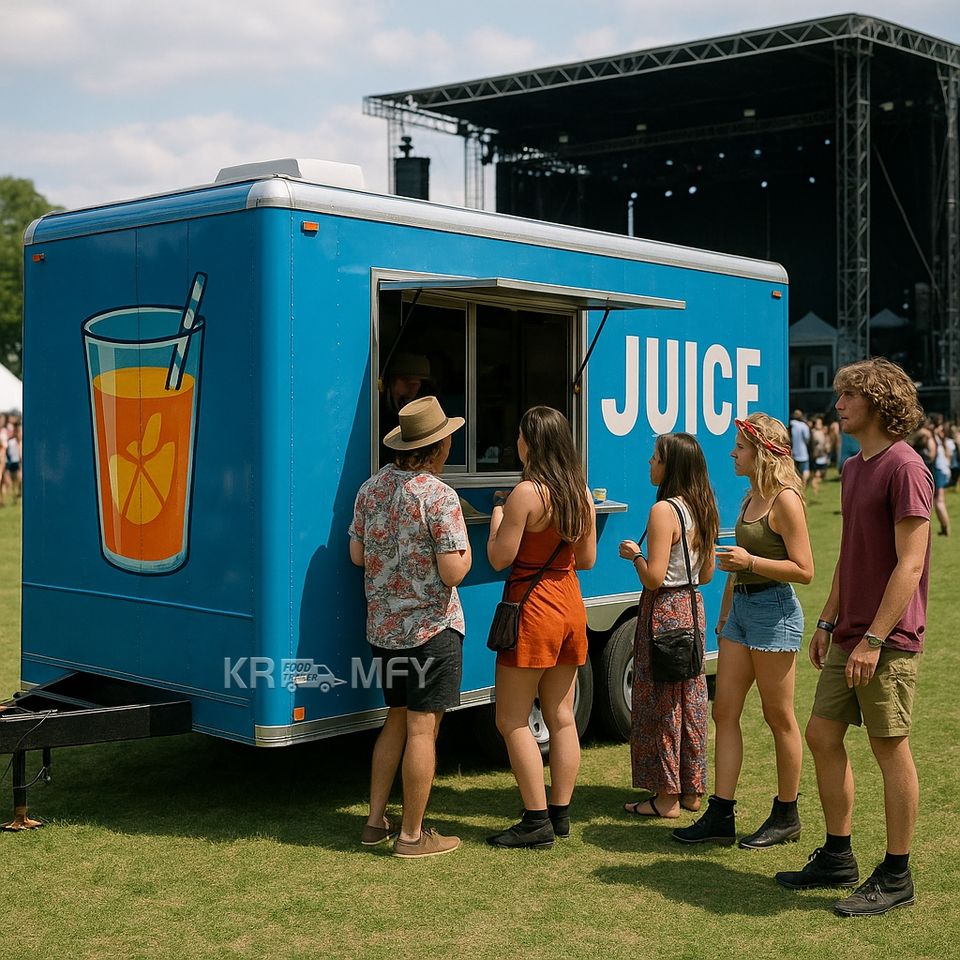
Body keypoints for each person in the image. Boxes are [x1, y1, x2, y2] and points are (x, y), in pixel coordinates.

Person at [775, 358, 931, 917]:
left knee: (889, 748)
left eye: (848, 396)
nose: (837, 404)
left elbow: (910, 564)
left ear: (878, 403)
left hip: (887, 638)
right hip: (849, 633)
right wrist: (827, 622)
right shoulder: (852, 466)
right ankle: (838, 856)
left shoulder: (906, 467)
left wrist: (874, 639)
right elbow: (849, 554)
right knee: (821, 734)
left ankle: (896, 874)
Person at [673, 414, 813, 847]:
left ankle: (786, 815)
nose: (732, 453)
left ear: (763, 453)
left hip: (775, 612)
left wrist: (750, 562)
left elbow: (805, 570)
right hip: (741, 614)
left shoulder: (785, 500)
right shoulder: (751, 496)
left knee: (778, 717)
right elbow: (737, 567)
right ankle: (721, 814)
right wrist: (724, 615)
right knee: (724, 712)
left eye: (740, 447)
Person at [349, 396, 471, 859]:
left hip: (384, 631)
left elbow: (357, 555)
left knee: (395, 721)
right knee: (422, 731)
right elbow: (452, 572)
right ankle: (412, 836)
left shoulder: (370, 489)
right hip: (431, 631)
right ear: (437, 447)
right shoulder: (439, 496)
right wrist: (466, 557)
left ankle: (374, 822)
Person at [485, 406, 596, 848]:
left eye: (519, 435)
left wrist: (497, 517)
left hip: (532, 609)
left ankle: (535, 820)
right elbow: (587, 560)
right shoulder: (579, 492)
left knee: (511, 720)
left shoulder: (525, 493)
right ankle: (560, 813)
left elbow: (500, 557)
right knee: (562, 716)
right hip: (569, 603)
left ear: (530, 442)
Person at [620, 433, 718, 820]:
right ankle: (691, 788)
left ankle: (665, 797)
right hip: (692, 606)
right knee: (690, 702)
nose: (650, 462)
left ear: (670, 465)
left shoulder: (664, 511)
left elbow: (654, 577)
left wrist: (635, 555)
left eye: (656, 457)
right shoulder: (704, 506)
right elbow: (706, 574)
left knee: (660, 704)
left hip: (663, 609)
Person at [809, 415, 830, 497]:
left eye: (820, 423)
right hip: (817, 456)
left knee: (821, 474)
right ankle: (815, 489)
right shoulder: (814, 432)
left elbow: (826, 443)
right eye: (818, 423)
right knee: (817, 474)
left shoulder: (823, 432)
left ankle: (814, 485)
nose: (819, 424)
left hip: (823, 455)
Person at [789, 409, 811, 487]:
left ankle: (797, 485)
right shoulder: (804, 426)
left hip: (793, 452)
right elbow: (807, 438)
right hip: (803, 452)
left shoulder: (791, 424)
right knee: (805, 470)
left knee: (795, 472)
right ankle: (803, 485)